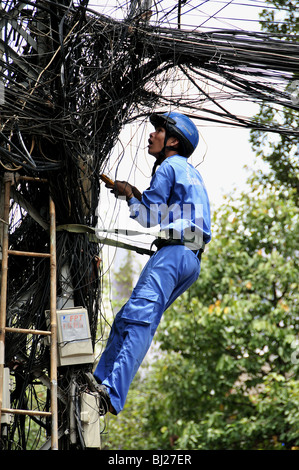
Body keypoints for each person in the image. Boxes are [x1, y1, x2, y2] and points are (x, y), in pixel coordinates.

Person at [91, 112, 211, 415]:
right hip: (190, 259)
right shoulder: (188, 171)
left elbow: (149, 217)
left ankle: (111, 393)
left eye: (158, 131)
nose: (151, 135)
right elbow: (161, 211)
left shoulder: (168, 165)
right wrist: (132, 193)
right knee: (127, 319)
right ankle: (97, 379)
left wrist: (130, 195)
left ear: (172, 140)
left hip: (173, 255)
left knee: (140, 320)